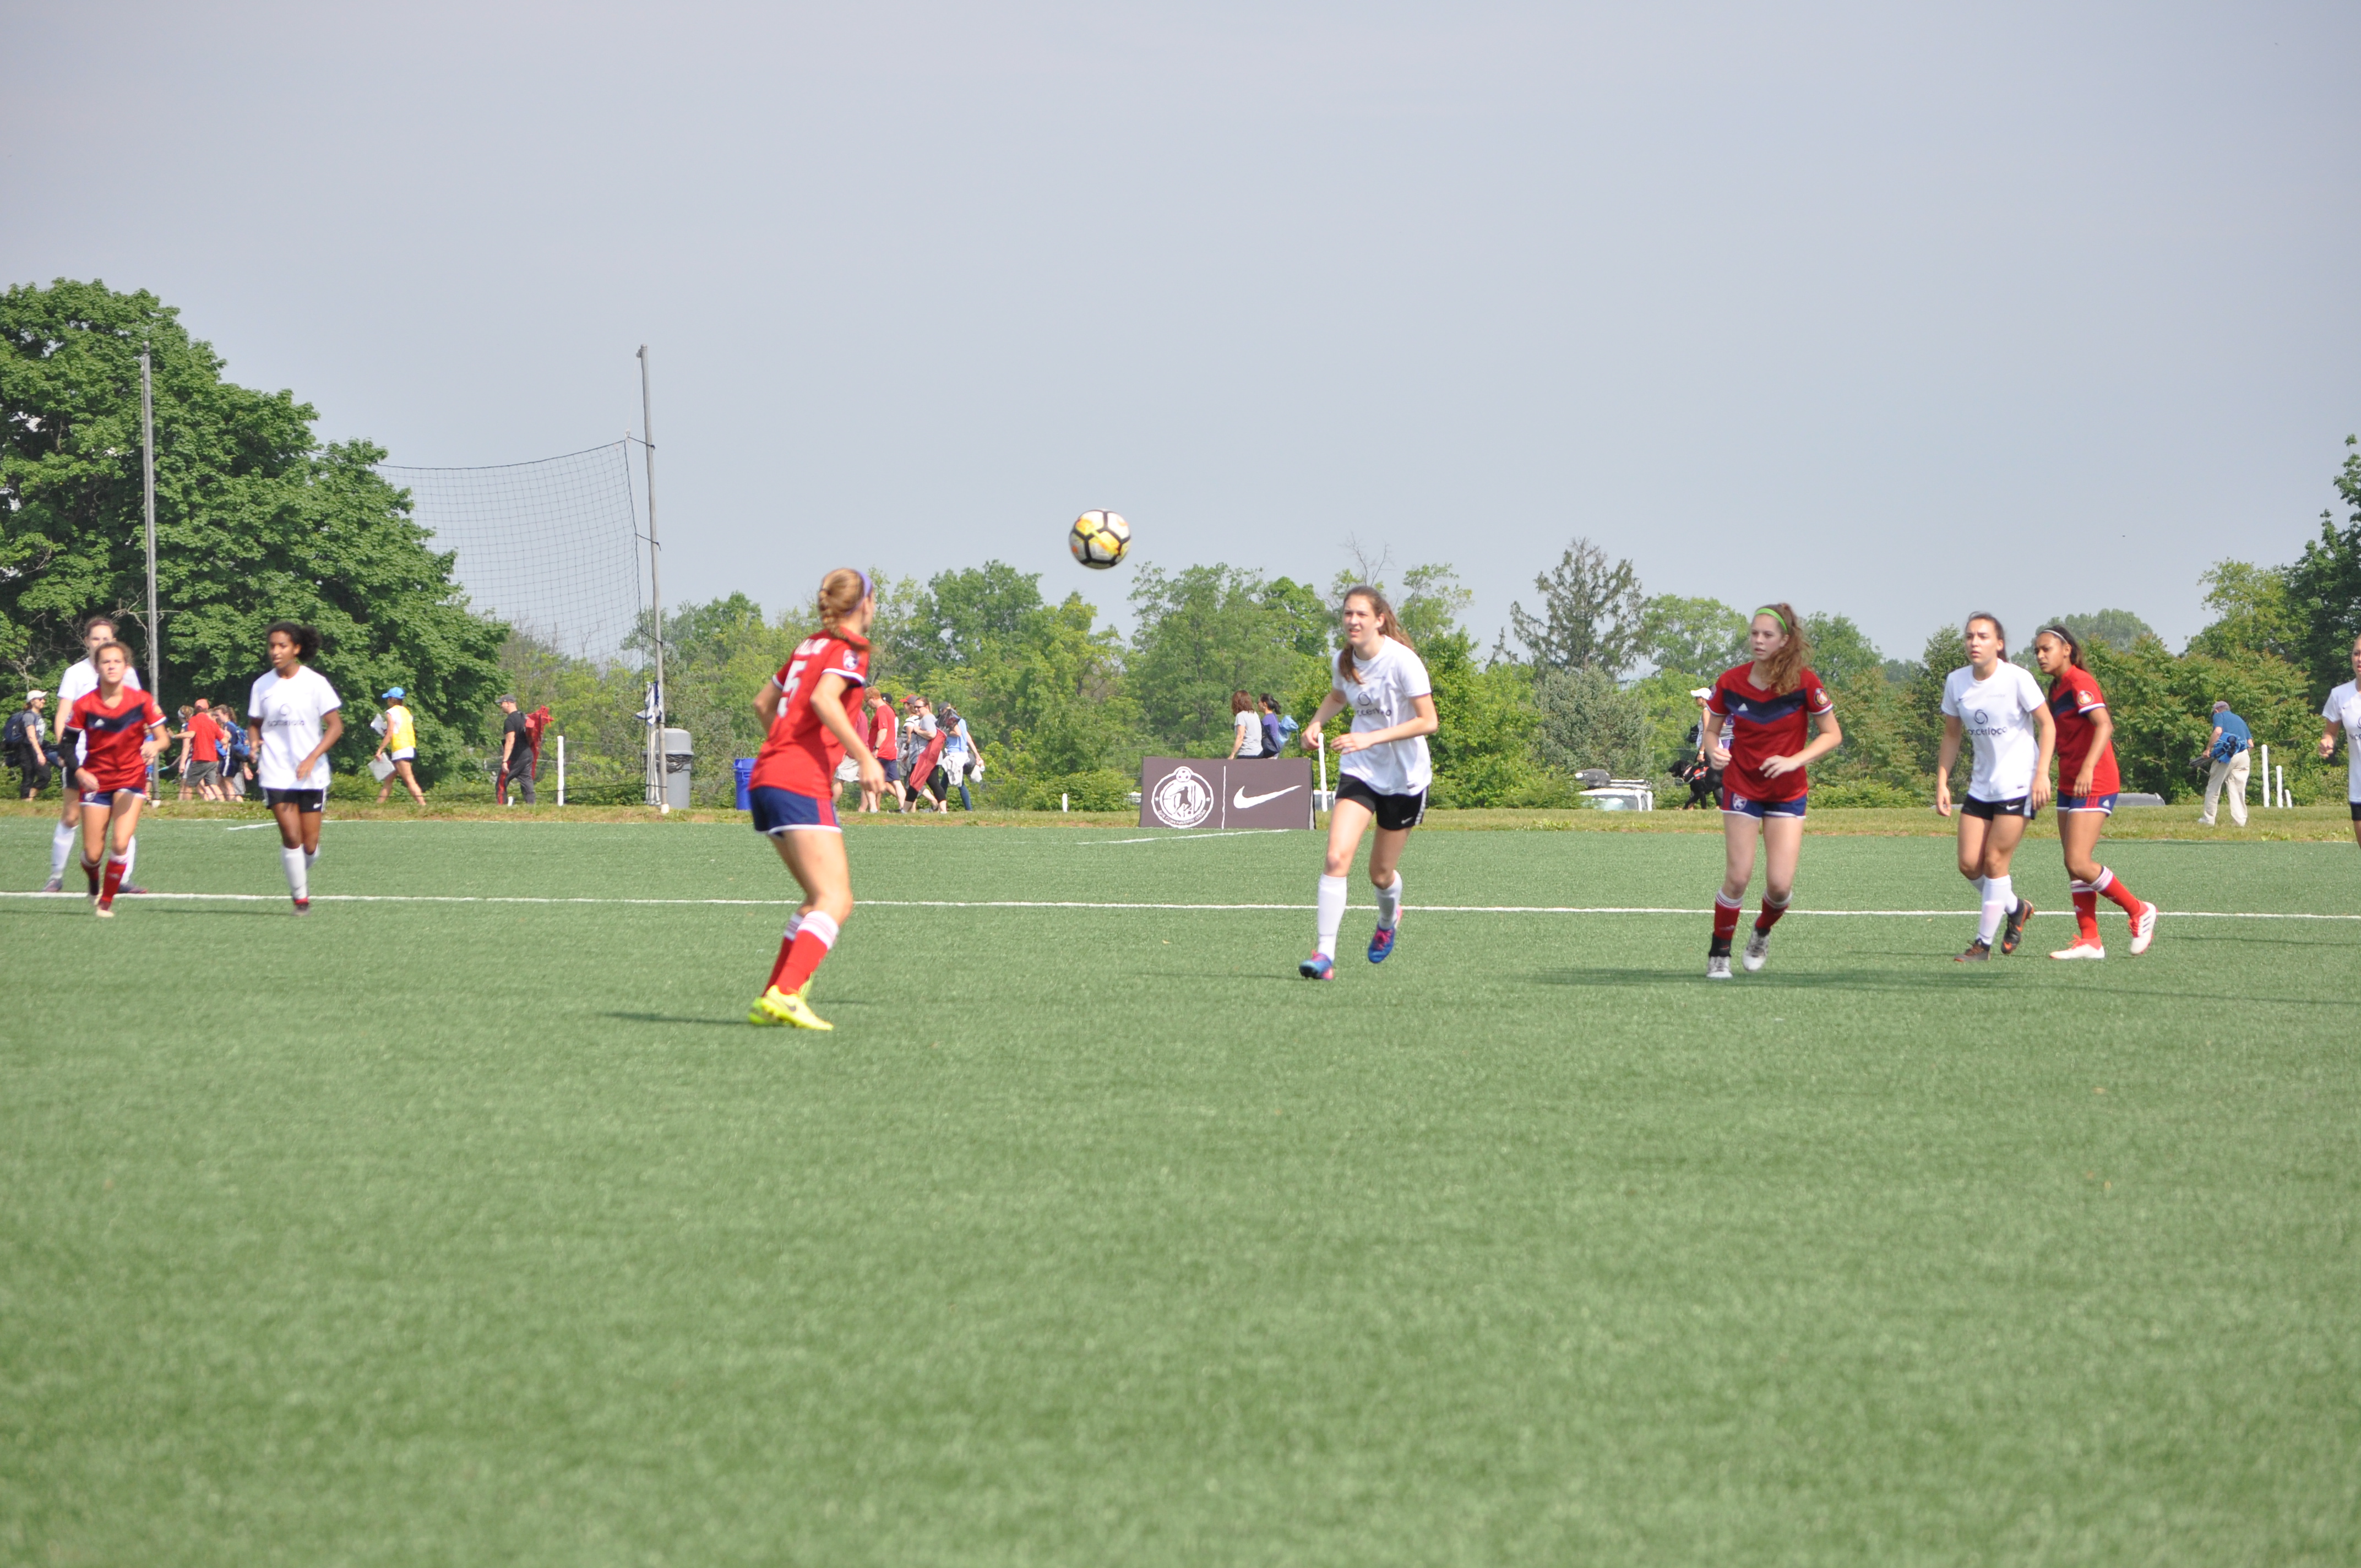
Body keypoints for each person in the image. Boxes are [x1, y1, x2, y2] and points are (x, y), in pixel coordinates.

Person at [744, 568, 884, 1031]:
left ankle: (773, 996)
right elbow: (826, 699)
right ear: (863, 604)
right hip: (797, 781)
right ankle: (787, 993)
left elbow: (763, 704)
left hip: (767, 777)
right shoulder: (850, 648)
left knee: (815, 898)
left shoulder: (808, 646)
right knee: (836, 898)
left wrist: (787, 750)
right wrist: (865, 757)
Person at [1296, 586, 1438, 979]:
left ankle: (1388, 920)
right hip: (1361, 771)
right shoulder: (1343, 661)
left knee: (1380, 874)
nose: (1352, 621)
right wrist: (1316, 722)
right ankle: (1324, 955)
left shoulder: (1403, 661)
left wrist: (1370, 737)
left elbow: (1429, 721)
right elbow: (1338, 696)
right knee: (1336, 858)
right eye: (1347, 614)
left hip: (1406, 779)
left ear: (1379, 619)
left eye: (1361, 614)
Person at [1698, 605, 1843, 979]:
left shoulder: (1806, 683)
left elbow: (1832, 734)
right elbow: (1712, 729)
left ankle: (1762, 931)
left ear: (1785, 641)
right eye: (1754, 634)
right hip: (1742, 785)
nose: (1758, 641)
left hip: (1787, 792)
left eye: (1767, 635)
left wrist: (1796, 760)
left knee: (1779, 887)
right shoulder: (1731, 682)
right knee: (1739, 876)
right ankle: (1720, 954)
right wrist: (1714, 750)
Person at [2031, 626, 2158, 959]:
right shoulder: (2055, 688)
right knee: (2072, 865)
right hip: (2069, 781)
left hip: (2095, 779)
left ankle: (2139, 909)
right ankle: (2091, 940)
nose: (2041, 656)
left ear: (2067, 650)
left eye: (2046, 649)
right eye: (2037, 652)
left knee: (2079, 860)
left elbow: (2104, 725)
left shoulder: (2079, 682)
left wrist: (2088, 767)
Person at [1936, 613, 2055, 962]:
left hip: (2020, 783)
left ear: (1999, 644)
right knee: (1969, 864)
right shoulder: (1956, 682)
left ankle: (1982, 946)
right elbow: (1951, 734)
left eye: (1983, 636)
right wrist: (1942, 781)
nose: (1975, 642)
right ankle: (2016, 908)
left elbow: (2047, 726)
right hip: (1981, 785)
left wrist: (2043, 774)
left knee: (1994, 861)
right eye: (1970, 636)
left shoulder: (2017, 678)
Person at [58, 641, 167, 916]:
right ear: (97, 667)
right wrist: (80, 772)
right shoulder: (85, 704)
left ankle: (106, 902)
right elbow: (66, 745)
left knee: (120, 842)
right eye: (106, 662)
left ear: (126, 667)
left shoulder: (141, 700)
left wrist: (155, 745)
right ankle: (93, 880)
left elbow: (164, 737)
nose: (111, 666)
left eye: (117, 662)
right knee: (93, 855)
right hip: (96, 781)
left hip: (131, 778)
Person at [44, 615, 146, 894]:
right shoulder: (75, 673)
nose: (102, 643)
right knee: (71, 817)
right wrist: (65, 752)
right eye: (96, 639)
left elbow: (139, 713)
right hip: (82, 759)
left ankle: (122, 880)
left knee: (122, 820)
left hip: (120, 761)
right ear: (87, 642)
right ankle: (56, 877)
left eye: (107, 639)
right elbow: (63, 715)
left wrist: (144, 744)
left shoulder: (127, 674)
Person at [247, 622, 342, 914]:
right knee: (291, 838)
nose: (275, 652)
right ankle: (301, 899)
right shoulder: (262, 685)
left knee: (309, 846)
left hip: (312, 775)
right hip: (276, 772)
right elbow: (254, 724)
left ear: (297, 649)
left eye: (282, 646)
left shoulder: (315, 683)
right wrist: (254, 744)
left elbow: (336, 726)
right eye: (272, 646)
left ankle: (299, 869)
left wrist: (313, 757)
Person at [2319, 631, 2361, 853]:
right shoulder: (2340, 695)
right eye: (2356, 653)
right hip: (2359, 785)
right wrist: (2327, 743)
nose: (2360, 659)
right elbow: (2330, 733)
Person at [2197, 699, 2253, 827]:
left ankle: (2208, 820)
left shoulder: (2219, 715)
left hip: (2227, 754)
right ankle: (2240, 822)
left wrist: (2208, 749)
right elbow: (2251, 744)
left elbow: (2218, 731)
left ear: (2216, 710)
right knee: (2238, 789)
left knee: (2214, 786)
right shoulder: (2240, 719)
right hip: (2244, 755)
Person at [373, 688, 427, 805]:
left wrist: (380, 750)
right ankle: (377, 806)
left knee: (410, 780)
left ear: (392, 700)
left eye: (388, 699)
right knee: (388, 780)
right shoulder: (406, 712)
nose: (387, 701)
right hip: (409, 747)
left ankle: (423, 806)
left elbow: (390, 733)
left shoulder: (391, 712)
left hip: (400, 749)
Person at [175, 699, 226, 802]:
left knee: (188, 785)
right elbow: (224, 741)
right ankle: (223, 804)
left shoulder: (194, 720)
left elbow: (191, 734)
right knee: (213, 785)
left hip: (200, 758)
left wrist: (175, 736)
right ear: (207, 709)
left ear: (195, 709)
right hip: (213, 759)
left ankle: (187, 808)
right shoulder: (212, 723)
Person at [8, 690, 53, 799]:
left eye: (43, 699)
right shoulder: (29, 716)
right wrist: (39, 754)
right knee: (29, 776)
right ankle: (26, 801)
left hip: (36, 748)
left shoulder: (38, 716)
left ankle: (29, 797)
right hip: (27, 749)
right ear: (32, 702)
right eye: (40, 699)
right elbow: (31, 737)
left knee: (44, 776)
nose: (43, 701)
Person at [863, 689, 901, 812]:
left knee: (869, 780)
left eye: (867, 701)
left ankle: (873, 808)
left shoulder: (882, 710)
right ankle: (904, 807)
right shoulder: (889, 710)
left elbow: (883, 730)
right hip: (891, 751)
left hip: (882, 752)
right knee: (896, 781)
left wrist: (876, 749)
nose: (867, 705)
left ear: (873, 698)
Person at [906, 697, 945, 812]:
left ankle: (904, 810)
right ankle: (943, 810)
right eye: (915, 707)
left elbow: (932, 734)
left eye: (919, 707)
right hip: (931, 757)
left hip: (925, 757)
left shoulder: (927, 719)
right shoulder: (930, 718)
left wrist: (917, 730)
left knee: (914, 783)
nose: (916, 709)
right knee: (933, 783)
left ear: (927, 707)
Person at [496, 694, 535, 804]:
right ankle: (532, 807)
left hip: (515, 757)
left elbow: (510, 740)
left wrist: (505, 761)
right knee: (527, 784)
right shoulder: (524, 716)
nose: (501, 707)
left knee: (501, 783)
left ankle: (501, 808)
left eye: (501, 704)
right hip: (527, 755)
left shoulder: (510, 721)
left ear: (508, 703)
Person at [939, 703, 978, 810]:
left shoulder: (950, 720)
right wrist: (977, 755)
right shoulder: (961, 721)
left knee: (959, 783)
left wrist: (945, 732)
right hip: (963, 754)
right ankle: (939, 806)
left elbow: (958, 733)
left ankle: (968, 809)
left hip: (954, 755)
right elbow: (968, 738)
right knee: (946, 781)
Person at [1228, 690, 1264, 759]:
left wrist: (1232, 754)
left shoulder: (1241, 716)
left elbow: (1240, 737)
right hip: (1259, 752)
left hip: (1247, 753)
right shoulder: (1254, 714)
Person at [1259, 695, 1286, 759]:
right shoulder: (1273, 716)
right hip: (1274, 750)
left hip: (1269, 750)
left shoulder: (1267, 719)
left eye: (1258, 702)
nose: (1258, 705)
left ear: (1264, 704)